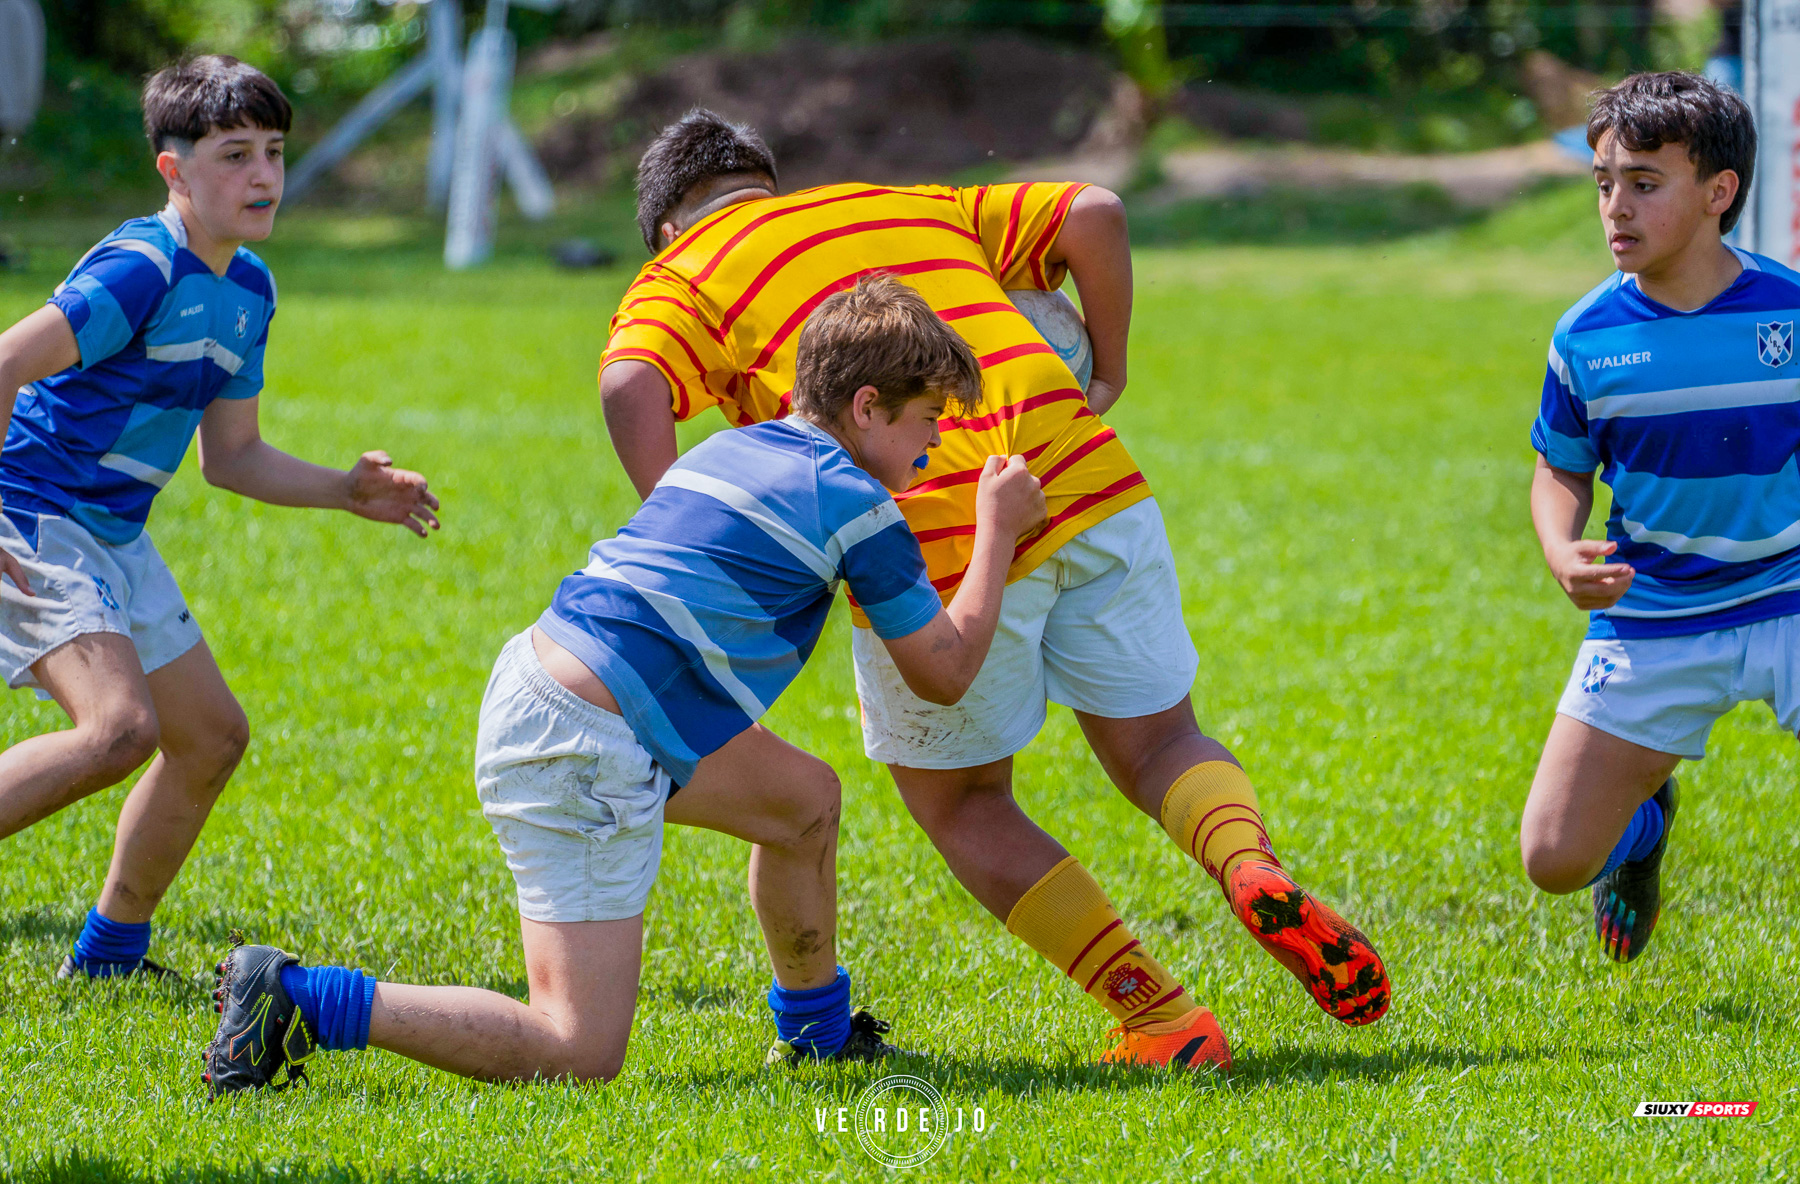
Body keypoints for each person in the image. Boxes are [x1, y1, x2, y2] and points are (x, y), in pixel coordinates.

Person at [597, 110, 1390, 1070]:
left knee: (964, 801)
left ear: (667, 225)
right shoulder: (895, 199)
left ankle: (1161, 1019)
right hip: (1079, 471)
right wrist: (1109, 368)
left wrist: (684, 516)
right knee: (1160, 743)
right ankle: (1246, 863)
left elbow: (630, 383)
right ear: (767, 180)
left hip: (923, 520)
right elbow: (1094, 211)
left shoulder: (677, 273)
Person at [201, 275, 1048, 1093]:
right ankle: (297, 1000)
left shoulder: (739, 443)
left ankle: (819, 1041)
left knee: (803, 802)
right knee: (575, 1047)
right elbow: (944, 673)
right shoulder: (859, 504)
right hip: (585, 741)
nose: (937, 441)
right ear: (867, 407)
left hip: (556, 685)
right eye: (929, 420)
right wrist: (999, 528)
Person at [0, 56, 439, 982]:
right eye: (235, 154)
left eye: (273, 152)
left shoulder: (249, 290)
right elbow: (4, 365)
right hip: (33, 512)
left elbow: (230, 457)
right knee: (117, 730)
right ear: (174, 170)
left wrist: (345, 491)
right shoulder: (139, 268)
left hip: (113, 532)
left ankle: (110, 957)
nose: (263, 176)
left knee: (210, 738)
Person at [1520, 71, 1797, 962]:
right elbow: (1557, 471)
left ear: (1719, 193)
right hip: (1658, 609)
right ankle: (1641, 834)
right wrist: (1563, 553)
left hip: (1792, 592)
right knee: (1554, 860)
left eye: (1644, 183)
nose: (1615, 208)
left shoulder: (1789, 310)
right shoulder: (1586, 337)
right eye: (1604, 183)